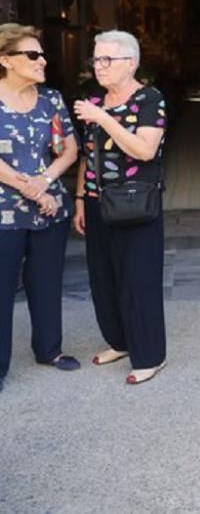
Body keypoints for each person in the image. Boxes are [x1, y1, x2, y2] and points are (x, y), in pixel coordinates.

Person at [73, 30, 168, 385]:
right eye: (96, 59)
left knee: (137, 280)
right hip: (99, 203)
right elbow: (87, 156)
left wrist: (103, 118)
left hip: (135, 204)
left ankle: (150, 355)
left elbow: (144, 150)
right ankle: (120, 341)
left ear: (131, 63)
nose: (99, 66)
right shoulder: (97, 100)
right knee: (104, 278)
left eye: (107, 59)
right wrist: (81, 198)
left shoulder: (150, 100)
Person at [0, 24, 81, 393]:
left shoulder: (50, 99)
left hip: (50, 208)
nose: (42, 60)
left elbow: (70, 149)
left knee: (46, 281)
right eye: (32, 55)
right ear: (5, 60)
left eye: (41, 53)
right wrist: (30, 188)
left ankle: (49, 349)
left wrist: (46, 181)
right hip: (5, 212)